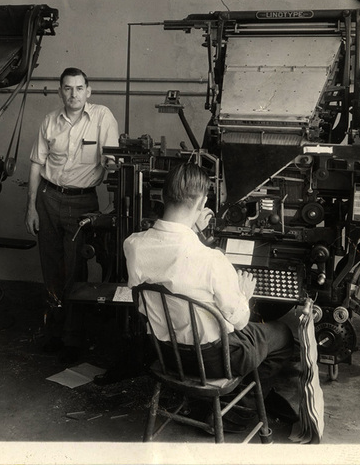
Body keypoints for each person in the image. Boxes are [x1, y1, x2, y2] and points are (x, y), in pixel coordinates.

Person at [123, 162, 298, 428]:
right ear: (202, 201)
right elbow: (239, 321)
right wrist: (244, 294)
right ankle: (239, 410)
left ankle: (206, 400)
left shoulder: (133, 245)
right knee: (283, 335)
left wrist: (194, 230)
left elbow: (169, 266)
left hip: (168, 356)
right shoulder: (212, 259)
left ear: (161, 196)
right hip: (215, 361)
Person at [25, 67, 120, 363]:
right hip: (49, 199)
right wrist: (31, 207)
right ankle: (54, 333)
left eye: (79, 88)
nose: (74, 94)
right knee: (51, 268)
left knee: (75, 270)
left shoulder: (103, 116)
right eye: (68, 88)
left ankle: (74, 338)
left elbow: (113, 159)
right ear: (60, 92)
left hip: (82, 203)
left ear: (88, 91)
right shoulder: (50, 121)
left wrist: (112, 163)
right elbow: (35, 166)